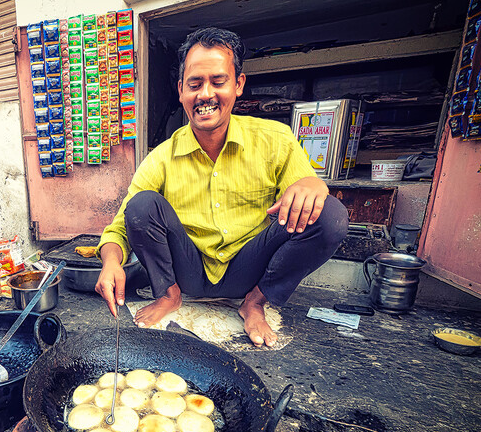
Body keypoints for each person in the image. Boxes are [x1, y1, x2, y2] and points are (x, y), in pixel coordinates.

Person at [95, 27, 349, 347]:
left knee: (330, 214)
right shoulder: (161, 157)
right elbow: (120, 226)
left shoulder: (275, 140)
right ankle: (169, 297)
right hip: (188, 272)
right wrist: (111, 262)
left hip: (249, 270)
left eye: (218, 81)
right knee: (142, 205)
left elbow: (306, 187)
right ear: (181, 90)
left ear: (238, 84)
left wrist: (313, 183)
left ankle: (255, 303)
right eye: (195, 84)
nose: (205, 95)